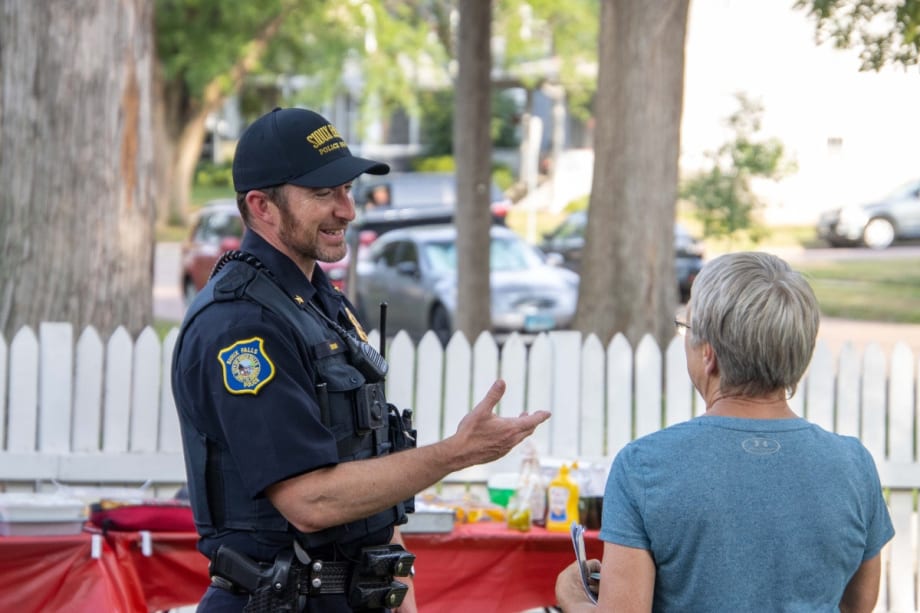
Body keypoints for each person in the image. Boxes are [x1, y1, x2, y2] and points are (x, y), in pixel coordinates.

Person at [172, 107, 550, 613]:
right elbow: (309, 501)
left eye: (347, 189)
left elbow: (368, 463)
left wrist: (400, 591)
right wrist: (457, 452)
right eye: (324, 193)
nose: (347, 210)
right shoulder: (243, 325)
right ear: (261, 205)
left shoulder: (319, 300)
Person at [555, 251, 894, 613]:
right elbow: (858, 604)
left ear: (709, 355)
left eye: (686, 329)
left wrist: (574, 598)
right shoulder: (854, 465)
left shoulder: (643, 467)